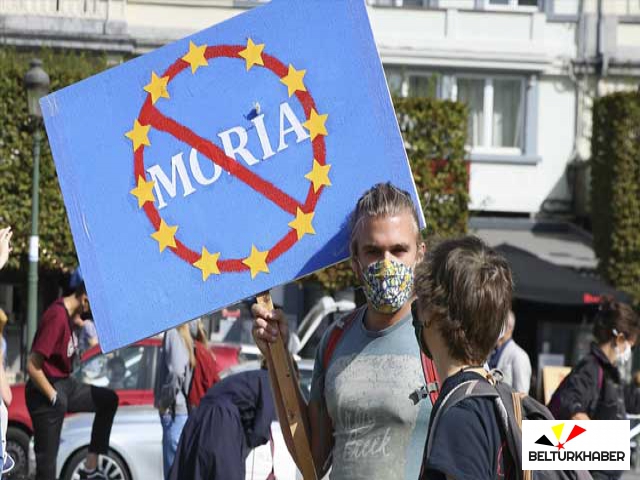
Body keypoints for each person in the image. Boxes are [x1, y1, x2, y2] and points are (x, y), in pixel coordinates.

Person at [253, 182, 435, 480]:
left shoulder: (442, 337)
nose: (386, 264)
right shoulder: (335, 339)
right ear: (355, 260)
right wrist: (276, 355)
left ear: (419, 254)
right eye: (373, 251)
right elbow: (312, 459)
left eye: (398, 250)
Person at [413, 235, 514, 480]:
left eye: (419, 301)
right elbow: (596, 448)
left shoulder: (460, 415)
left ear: (430, 313)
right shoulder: (501, 402)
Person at [25, 280, 119, 480]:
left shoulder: (69, 316)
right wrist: (54, 397)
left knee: (108, 400)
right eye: (91, 307)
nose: (91, 314)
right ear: (84, 300)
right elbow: (32, 366)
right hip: (46, 390)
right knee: (47, 467)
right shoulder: (57, 317)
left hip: (65, 383)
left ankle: (90, 466)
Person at [548, 297, 640, 480]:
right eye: (631, 346)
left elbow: (628, 402)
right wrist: (601, 441)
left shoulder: (609, 372)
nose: (630, 351)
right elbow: (572, 408)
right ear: (620, 339)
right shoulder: (590, 368)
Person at [168, 364, 276, 480]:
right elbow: (260, 431)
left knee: (195, 470)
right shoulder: (269, 382)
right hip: (221, 420)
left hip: (199, 416)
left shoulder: (251, 377)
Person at [154, 320, 206, 479]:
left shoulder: (173, 330)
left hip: (175, 411)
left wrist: (164, 402)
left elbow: (177, 371)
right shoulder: (190, 330)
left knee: (173, 473)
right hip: (185, 410)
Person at [488, 311, 532, 393]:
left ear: (509, 327)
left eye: (496, 324)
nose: (492, 328)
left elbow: (521, 394)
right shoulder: (490, 352)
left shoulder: (519, 355)